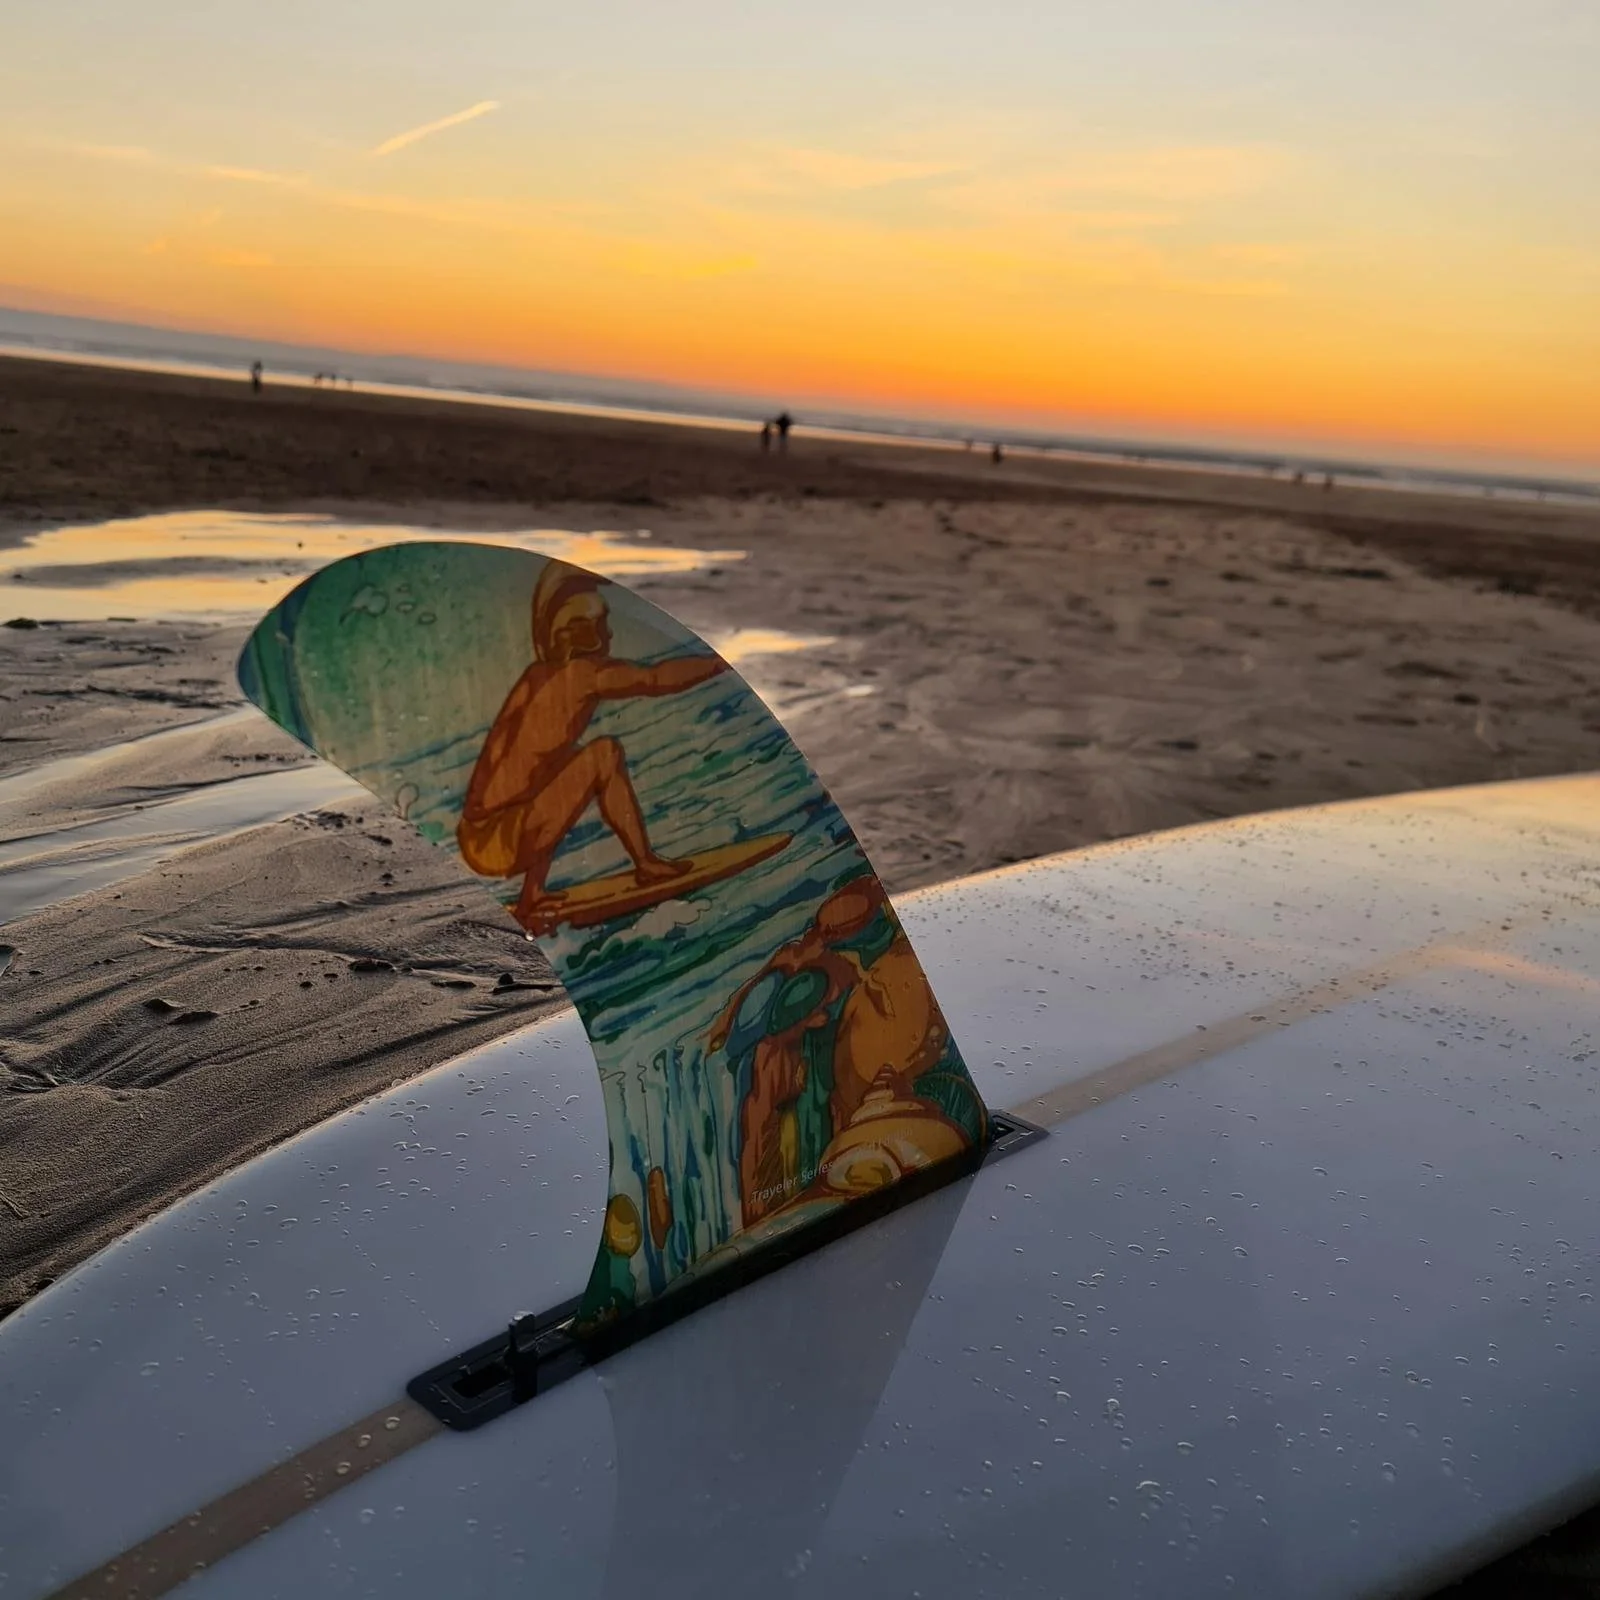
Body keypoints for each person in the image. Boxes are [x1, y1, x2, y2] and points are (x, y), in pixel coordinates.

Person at [457, 561, 726, 932]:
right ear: (576, 632)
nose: (607, 632)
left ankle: (531, 894)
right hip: (499, 840)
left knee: (559, 766)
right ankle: (645, 864)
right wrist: (717, 664)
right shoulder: (582, 675)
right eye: (598, 623)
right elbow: (654, 678)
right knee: (603, 755)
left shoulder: (536, 675)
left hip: (481, 833)